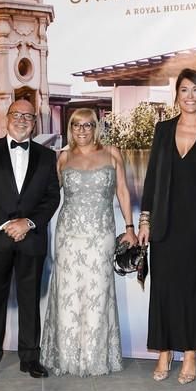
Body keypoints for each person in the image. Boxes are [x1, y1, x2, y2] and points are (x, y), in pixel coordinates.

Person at [138, 68, 196, 385]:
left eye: (195, 90)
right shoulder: (163, 130)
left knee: (194, 290)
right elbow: (152, 179)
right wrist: (145, 219)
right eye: (184, 90)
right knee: (164, 289)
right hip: (165, 223)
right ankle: (164, 351)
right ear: (177, 95)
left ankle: (189, 352)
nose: (189, 96)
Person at [41, 108, 137, 376]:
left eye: (87, 125)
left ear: (96, 127)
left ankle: (95, 357)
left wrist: (130, 227)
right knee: (68, 292)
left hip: (101, 234)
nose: (82, 130)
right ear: (70, 129)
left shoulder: (112, 153)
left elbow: (122, 191)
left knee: (97, 293)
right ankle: (66, 356)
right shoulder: (62, 157)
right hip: (68, 236)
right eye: (76, 125)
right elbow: (48, 195)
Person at [0, 99, 60, 383]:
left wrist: (28, 223)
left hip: (31, 239)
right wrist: (7, 224)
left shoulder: (47, 157)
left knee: (30, 301)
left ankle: (30, 358)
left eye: (28, 116)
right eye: (17, 115)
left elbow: (51, 197)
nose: (22, 120)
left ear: (35, 123)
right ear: (6, 117)